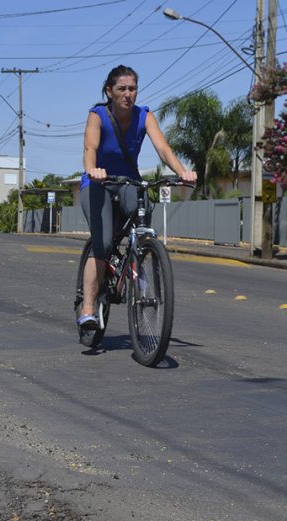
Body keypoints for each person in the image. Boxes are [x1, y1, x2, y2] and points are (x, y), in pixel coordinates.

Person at [77, 64, 197, 333]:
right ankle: (87, 308)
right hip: (99, 182)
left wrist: (182, 172)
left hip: (128, 182)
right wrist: (92, 169)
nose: (128, 94)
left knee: (144, 214)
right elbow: (90, 147)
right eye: (122, 89)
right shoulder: (98, 115)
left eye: (132, 88)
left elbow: (163, 148)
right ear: (110, 91)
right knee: (104, 241)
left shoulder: (144, 115)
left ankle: (139, 269)